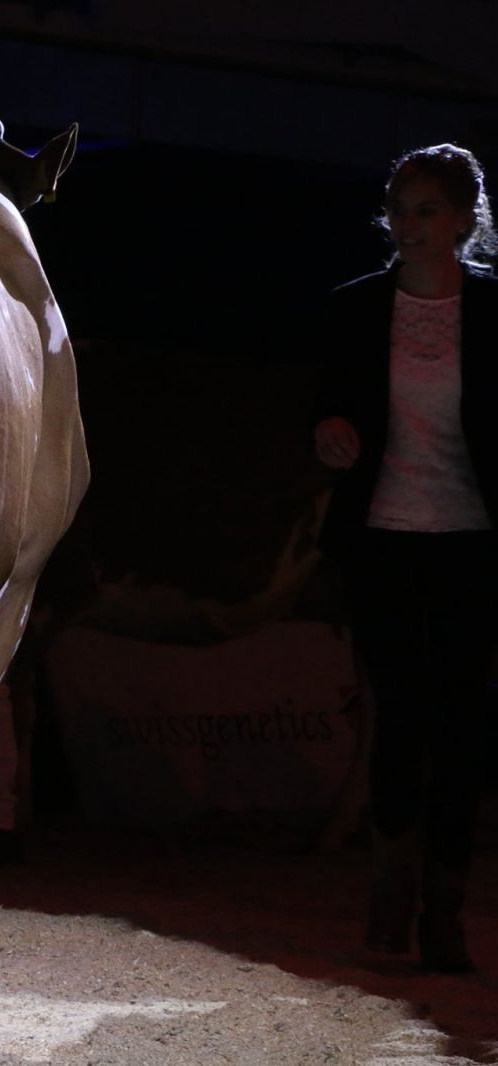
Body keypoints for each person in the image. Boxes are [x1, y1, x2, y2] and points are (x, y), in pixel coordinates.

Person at [313, 143, 498, 973]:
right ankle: (391, 895)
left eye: (427, 210)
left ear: (463, 220)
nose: (409, 225)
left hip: (474, 541)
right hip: (383, 536)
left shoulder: (493, 309)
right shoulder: (355, 306)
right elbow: (325, 409)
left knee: (461, 726)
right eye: (399, 208)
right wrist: (327, 432)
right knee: (399, 714)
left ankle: (444, 913)